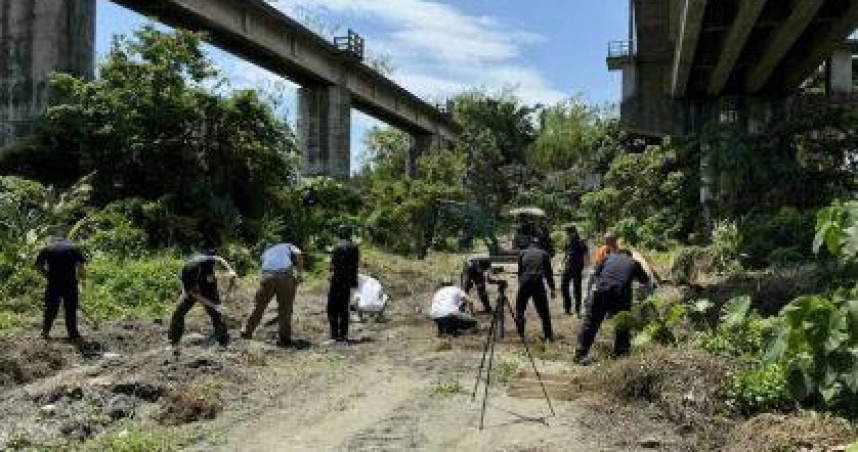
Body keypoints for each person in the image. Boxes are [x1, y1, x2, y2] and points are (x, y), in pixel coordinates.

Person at [575, 250, 652, 364]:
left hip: (600, 290)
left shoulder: (608, 257)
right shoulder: (633, 262)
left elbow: (595, 274)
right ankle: (621, 353)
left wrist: (590, 294)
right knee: (622, 322)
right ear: (629, 255)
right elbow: (644, 280)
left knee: (591, 322)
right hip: (619, 294)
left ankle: (580, 354)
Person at [168, 250, 236, 354]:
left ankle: (223, 342)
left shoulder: (205, 261)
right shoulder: (188, 273)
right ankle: (173, 342)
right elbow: (194, 294)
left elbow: (219, 259)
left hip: (208, 286)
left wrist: (230, 270)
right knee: (178, 312)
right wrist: (214, 305)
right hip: (192, 291)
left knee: (217, 314)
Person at [241, 241, 304, 346]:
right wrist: (299, 274)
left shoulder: (265, 253)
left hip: (267, 276)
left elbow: (264, 266)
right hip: (284, 276)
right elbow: (298, 253)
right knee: (285, 308)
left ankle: (247, 331)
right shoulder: (288, 245)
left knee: (259, 305)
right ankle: (284, 338)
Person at [35, 235, 87, 342]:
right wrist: (80, 277)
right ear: (65, 240)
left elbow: (38, 266)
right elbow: (81, 267)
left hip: (54, 284)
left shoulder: (47, 248)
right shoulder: (73, 248)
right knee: (70, 309)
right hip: (70, 284)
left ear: (54, 240)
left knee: (51, 308)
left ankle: (45, 332)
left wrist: (48, 276)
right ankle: (73, 334)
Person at [515, 238, 556, 342]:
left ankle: (520, 335)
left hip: (525, 282)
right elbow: (549, 274)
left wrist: (522, 286)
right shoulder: (544, 253)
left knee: (520, 310)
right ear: (538, 245)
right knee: (544, 311)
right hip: (538, 282)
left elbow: (520, 272)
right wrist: (552, 289)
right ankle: (549, 335)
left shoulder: (522, 253)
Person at [327, 226, 360, 344]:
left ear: (340, 233)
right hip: (347, 281)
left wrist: (330, 274)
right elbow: (355, 266)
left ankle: (334, 335)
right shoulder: (355, 247)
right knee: (344, 308)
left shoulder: (337, 246)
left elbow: (332, 264)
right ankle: (344, 335)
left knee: (332, 307)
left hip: (336, 280)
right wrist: (354, 282)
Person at [561, 225, 589, 317]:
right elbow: (567, 253)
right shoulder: (568, 242)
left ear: (573, 232)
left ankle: (577, 310)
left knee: (577, 290)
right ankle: (567, 308)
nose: (567, 235)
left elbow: (586, 255)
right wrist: (563, 262)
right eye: (567, 233)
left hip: (577, 269)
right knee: (564, 287)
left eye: (568, 233)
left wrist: (586, 267)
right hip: (568, 268)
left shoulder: (581, 242)